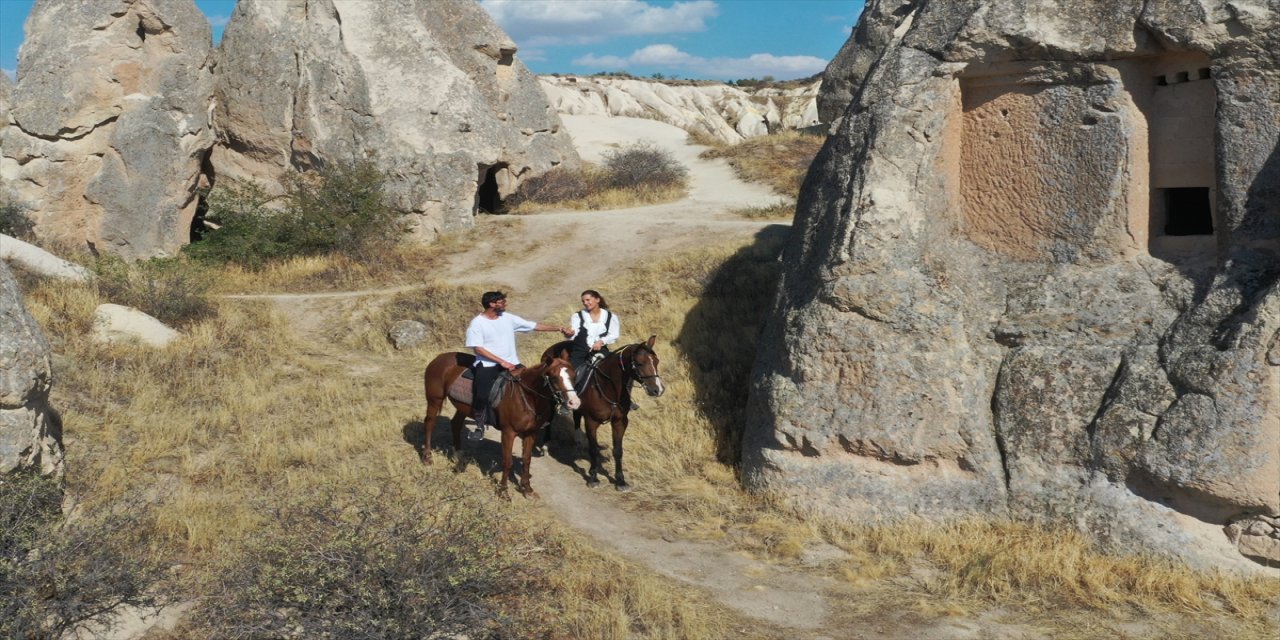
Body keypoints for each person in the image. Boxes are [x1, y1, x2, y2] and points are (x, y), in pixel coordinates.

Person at [465, 291, 573, 441]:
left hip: (513, 362)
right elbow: (478, 348)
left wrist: (559, 328)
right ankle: (479, 424)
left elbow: (534, 325)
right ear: (491, 304)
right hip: (488, 364)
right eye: (502, 302)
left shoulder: (507, 318)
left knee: (539, 383)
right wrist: (501, 362)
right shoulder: (477, 323)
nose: (505, 304)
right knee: (481, 393)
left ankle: (540, 418)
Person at [567, 289, 620, 386]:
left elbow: (614, 334)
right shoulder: (577, 316)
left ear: (597, 300)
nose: (585, 303)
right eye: (583, 301)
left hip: (600, 351)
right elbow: (574, 334)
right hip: (579, 352)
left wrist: (601, 341)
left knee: (613, 373)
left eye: (588, 300)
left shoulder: (610, 316)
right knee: (572, 378)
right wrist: (569, 333)